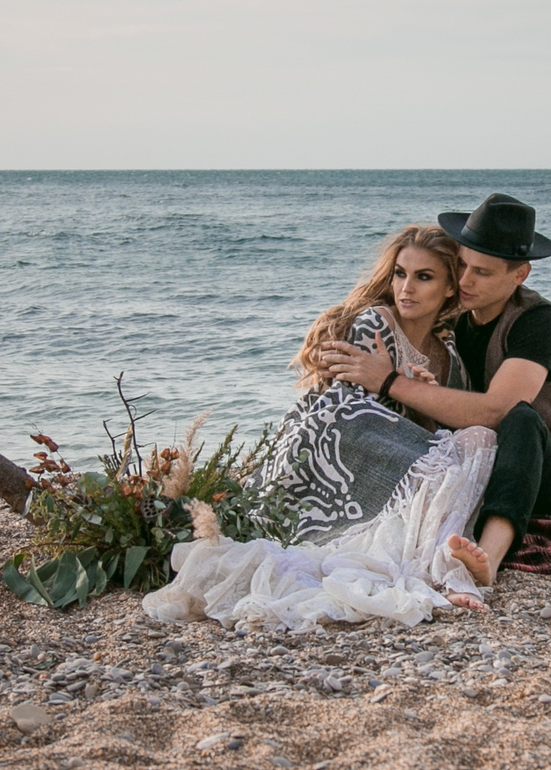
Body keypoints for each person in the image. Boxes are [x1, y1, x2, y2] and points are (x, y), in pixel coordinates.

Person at [143, 225, 497, 630]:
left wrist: (420, 395)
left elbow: (431, 432)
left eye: (424, 277)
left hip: (384, 448)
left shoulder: (448, 353)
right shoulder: (376, 323)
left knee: (476, 444)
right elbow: (349, 410)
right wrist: (401, 389)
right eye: (400, 273)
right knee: (428, 454)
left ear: (451, 288)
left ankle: (445, 558)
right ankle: (442, 562)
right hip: (331, 446)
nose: (407, 288)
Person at [318, 193, 551, 591]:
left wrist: (389, 381)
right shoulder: (453, 323)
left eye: (483, 273)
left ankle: (488, 558)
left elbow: (496, 411)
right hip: (474, 465)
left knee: (520, 417)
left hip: (540, 474)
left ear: (519, 275)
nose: (465, 282)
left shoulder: (539, 322)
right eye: (462, 266)